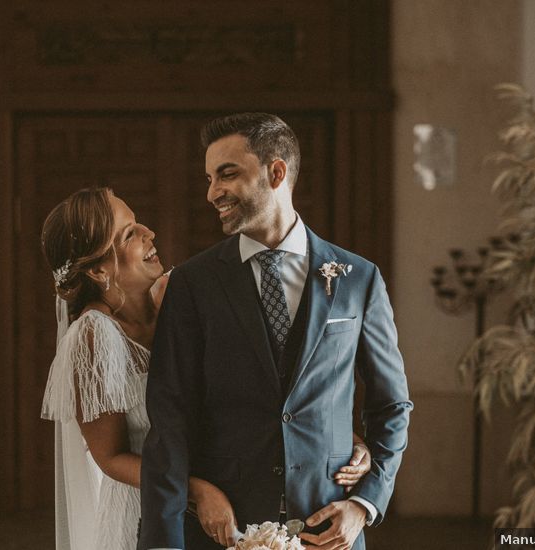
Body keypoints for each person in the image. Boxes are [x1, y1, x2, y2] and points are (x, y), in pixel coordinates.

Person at [40, 187, 372, 550]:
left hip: (231, 491)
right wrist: (195, 490)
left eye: (138, 223)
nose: (148, 233)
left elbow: (250, 384)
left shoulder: (181, 292)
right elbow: (110, 456)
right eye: (129, 233)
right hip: (148, 505)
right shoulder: (93, 336)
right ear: (100, 269)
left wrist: (333, 439)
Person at [138, 113, 413, 550]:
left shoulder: (358, 278)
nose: (212, 193)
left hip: (330, 530)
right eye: (209, 178)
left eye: (227, 174)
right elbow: (169, 420)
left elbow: (392, 404)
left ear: (276, 171)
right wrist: (161, 543)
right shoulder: (193, 283)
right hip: (221, 532)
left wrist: (364, 503)